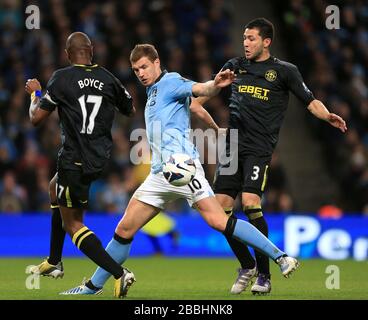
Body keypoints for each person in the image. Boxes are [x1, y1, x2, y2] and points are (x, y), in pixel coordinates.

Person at [61, 43, 299, 297]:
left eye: (144, 67)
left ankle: (281, 257)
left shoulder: (171, 81)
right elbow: (195, 106)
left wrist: (215, 84)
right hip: (160, 174)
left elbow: (199, 89)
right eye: (135, 69)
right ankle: (93, 287)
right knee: (124, 229)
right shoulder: (152, 92)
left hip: (183, 169)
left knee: (219, 221)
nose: (140, 73)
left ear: (156, 62)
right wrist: (215, 126)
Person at [197, 18, 347, 295]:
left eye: (251, 38)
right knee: (221, 210)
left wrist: (327, 116)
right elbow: (209, 89)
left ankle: (264, 275)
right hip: (231, 144)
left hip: (259, 147)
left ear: (266, 42)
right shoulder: (234, 65)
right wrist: (194, 96)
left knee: (251, 203)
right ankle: (246, 264)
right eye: (244, 37)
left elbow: (309, 100)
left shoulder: (284, 71)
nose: (245, 42)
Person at [25, 32, 137, 298]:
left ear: (67, 54)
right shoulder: (108, 78)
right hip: (98, 159)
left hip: (73, 159)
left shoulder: (62, 78)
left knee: (73, 224)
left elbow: (36, 118)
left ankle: (120, 274)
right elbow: (130, 108)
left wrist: (35, 93)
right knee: (55, 188)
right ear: (92, 51)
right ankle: (54, 261)